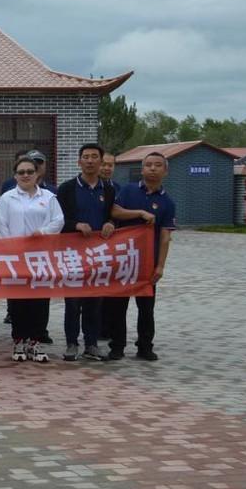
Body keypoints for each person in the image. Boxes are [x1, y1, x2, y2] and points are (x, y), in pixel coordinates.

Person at [104, 152, 173, 361]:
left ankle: (145, 346)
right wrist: (140, 213)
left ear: (165, 171)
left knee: (146, 309)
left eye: (157, 165)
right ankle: (117, 346)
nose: (153, 168)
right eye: (149, 165)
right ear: (142, 169)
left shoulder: (167, 202)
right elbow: (115, 211)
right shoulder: (128, 190)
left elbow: (165, 237)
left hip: (147, 264)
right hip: (124, 260)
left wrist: (160, 266)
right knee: (117, 307)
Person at [0, 156, 64, 362]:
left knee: (39, 302)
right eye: (21, 172)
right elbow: (1, 225)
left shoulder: (49, 197)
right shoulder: (7, 198)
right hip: (15, 258)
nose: (25, 175)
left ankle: (35, 342)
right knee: (18, 302)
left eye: (29, 172)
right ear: (15, 175)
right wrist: (12, 248)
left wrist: (42, 232)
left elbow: (58, 220)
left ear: (37, 174)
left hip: (41, 257)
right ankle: (18, 342)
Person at [56, 144, 116, 361]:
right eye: (85, 157)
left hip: (98, 254)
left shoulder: (109, 189)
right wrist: (76, 225)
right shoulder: (66, 188)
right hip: (73, 253)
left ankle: (91, 344)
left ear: (101, 162)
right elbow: (58, 221)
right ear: (78, 162)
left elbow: (114, 215)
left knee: (95, 300)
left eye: (94, 157)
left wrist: (111, 222)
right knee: (73, 302)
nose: (90, 161)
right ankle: (72, 343)